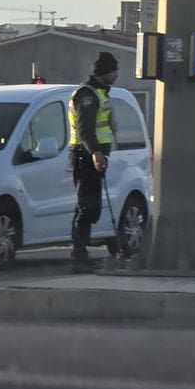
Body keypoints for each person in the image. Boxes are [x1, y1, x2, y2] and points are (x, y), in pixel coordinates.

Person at [68, 51, 119, 273]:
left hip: (95, 157)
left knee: (92, 206)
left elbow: (103, 124)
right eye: (114, 70)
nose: (116, 75)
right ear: (104, 72)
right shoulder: (87, 95)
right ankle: (79, 256)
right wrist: (96, 153)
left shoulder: (100, 93)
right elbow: (85, 130)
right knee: (86, 206)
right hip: (85, 156)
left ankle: (83, 251)